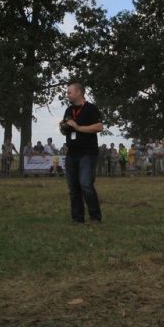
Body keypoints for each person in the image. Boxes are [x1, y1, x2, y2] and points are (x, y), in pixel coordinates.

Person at [60, 80, 103, 224]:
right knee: (73, 188)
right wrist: (63, 127)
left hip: (87, 153)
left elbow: (99, 127)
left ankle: (95, 216)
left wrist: (78, 127)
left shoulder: (91, 108)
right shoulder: (68, 110)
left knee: (85, 184)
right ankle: (77, 218)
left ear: (79, 92)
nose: (67, 95)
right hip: (71, 153)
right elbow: (65, 130)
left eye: (69, 92)